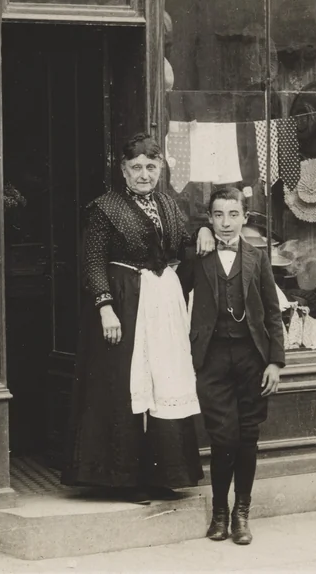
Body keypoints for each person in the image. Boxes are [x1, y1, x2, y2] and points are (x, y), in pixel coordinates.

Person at [61, 133, 215, 503]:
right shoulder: (104, 208)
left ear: (160, 168)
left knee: (162, 382)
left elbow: (183, 240)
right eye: (136, 168)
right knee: (126, 385)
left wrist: (206, 229)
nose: (144, 174)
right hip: (124, 303)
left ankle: (163, 475)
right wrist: (105, 307)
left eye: (150, 167)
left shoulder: (166, 202)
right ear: (123, 171)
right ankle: (123, 479)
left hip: (161, 302)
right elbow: (93, 261)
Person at [187, 186, 284, 545]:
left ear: (245, 217)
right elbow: (169, 289)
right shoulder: (199, 256)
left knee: (247, 438)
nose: (225, 223)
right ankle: (219, 514)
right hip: (212, 360)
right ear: (209, 219)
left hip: (251, 360)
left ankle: (242, 514)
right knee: (223, 437)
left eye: (233, 215)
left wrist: (275, 362)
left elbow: (273, 314)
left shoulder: (257, 258)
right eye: (217, 215)